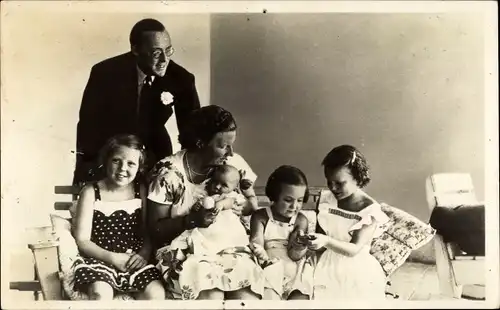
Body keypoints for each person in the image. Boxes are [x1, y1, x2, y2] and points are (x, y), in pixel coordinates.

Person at [147, 105, 268, 300]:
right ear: (200, 143)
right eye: (223, 145)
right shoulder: (168, 175)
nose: (230, 152)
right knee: (211, 297)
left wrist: (234, 205)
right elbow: (155, 230)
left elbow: (251, 205)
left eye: (231, 144)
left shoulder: (233, 165)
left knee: (247, 298)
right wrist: (192, 220)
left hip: (229, 247)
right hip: (184, 251)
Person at [74, 18, 200, 186]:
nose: (164, 60)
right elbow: (88, 124)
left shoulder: (182, 78)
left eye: (168, 51)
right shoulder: (105, 73)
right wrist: (86, 171)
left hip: (155, 154)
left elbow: (193, 130)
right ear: (136, 49)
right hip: (112, 156)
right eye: (156, 53)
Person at [72, 134, 165, 300]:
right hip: (101, 260)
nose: (123, 168)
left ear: (140, 167)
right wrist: (112, 257)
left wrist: (143, 254)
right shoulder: (91, 192)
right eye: (116, 160)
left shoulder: (140, 189)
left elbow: (146, 230)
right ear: (106, 160)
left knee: (156, 294)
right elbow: (82, 240)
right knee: (100, 294)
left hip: (133, 260)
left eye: (131, 163)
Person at [309, 145, 389, 300]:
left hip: (355, 268)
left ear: (358, 179)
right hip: (327, 261)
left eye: (339, 183)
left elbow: (354, 249)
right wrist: (311, 241)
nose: (333, 187)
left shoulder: (369, 210)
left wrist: (325, 241)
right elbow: (321, 234)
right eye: (329, 181)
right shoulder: (326, 199)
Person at [250, 165, 315, 300]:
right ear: (274, 196)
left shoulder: (301, 220)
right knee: (270, 296)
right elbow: (257, 242)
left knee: (301, 293)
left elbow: (295, 255)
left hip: (294, 265)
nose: (294, 206)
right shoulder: (260, 216)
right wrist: (260, 252)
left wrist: (300, 245)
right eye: (288, 200)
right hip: (269, 263)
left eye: (300, 200)